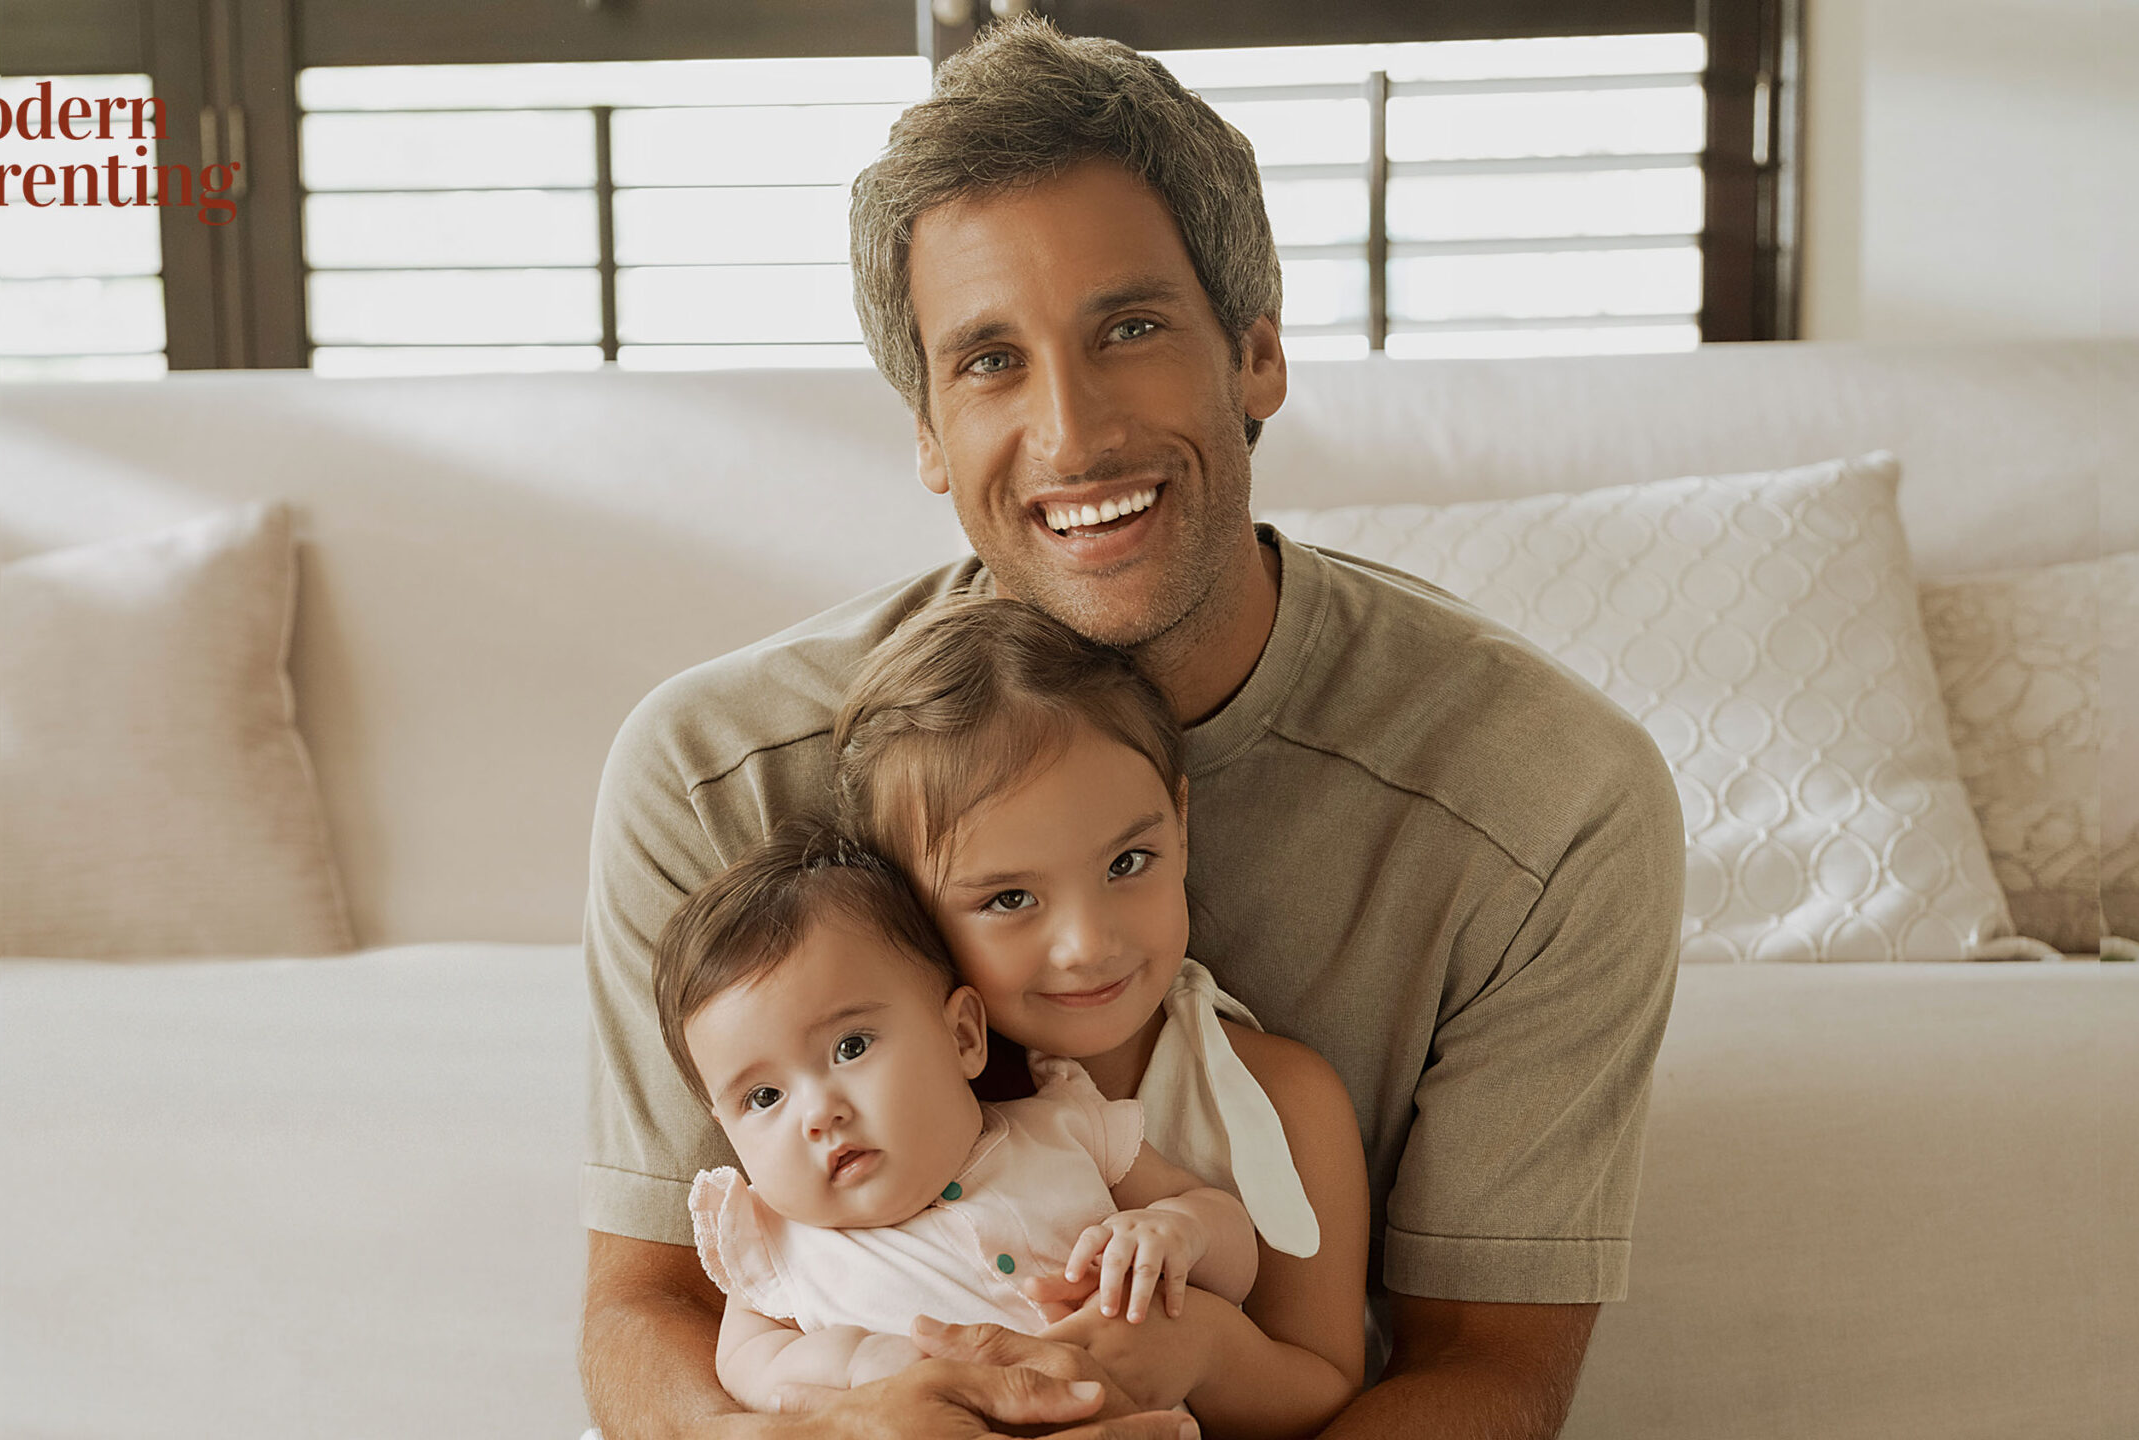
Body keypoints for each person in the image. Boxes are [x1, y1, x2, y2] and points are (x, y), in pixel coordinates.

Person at [580, 16, 1684, 1440]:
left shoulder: (1549, 808)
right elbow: (647, 1311)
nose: (1074, 433)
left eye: (1132, 329)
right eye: (988, 361)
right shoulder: (714, 776)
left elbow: (1488, 1366)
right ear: (924, 432)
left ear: (1259, 354)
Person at [827, 594, 1370, 1437]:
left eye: (1128, 860)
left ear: (1181, 827)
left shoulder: (1283, 1100)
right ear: (908, 914)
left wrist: (1201, 1348)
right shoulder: (869, 1117)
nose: (1087, 944)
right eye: (1009, 897)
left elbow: (1328, 1386)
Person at [653, 815, 1256, 1412]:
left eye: (851, 1047)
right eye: (763, 1098)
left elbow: (1235, 1263)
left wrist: (1181, 1230)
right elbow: (746, 1369)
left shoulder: (1065, 1128)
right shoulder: (777, 1241)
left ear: (963, 1035)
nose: (818, 1113)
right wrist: (853, 1361)